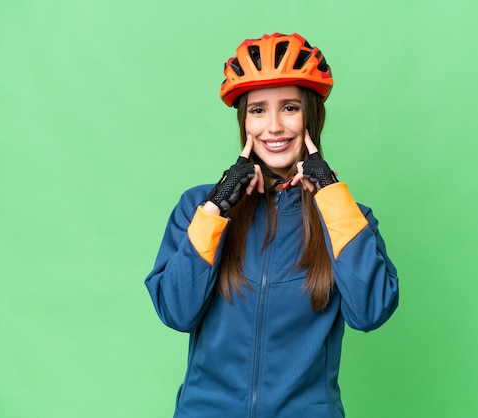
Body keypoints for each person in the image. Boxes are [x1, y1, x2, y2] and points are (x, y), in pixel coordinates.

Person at [145, 32, 399, 418]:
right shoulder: (199, 206)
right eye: (259, 110)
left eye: (290, 108)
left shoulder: (347, 215)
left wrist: (329, 195)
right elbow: (177, 311)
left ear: (312, 117)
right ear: (244, 120)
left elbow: (371, 311)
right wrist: (216, 208)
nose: (275, 126)